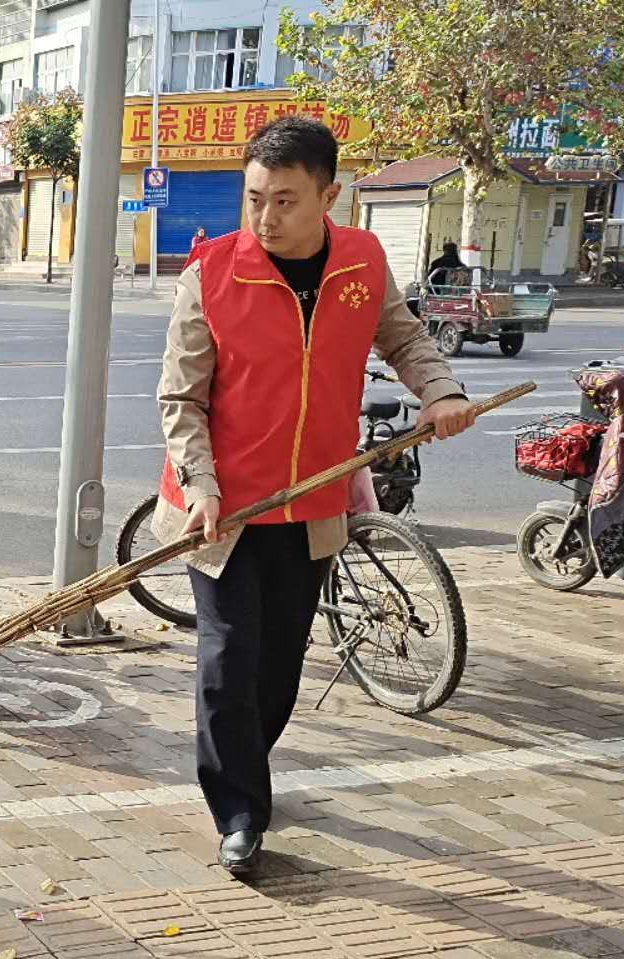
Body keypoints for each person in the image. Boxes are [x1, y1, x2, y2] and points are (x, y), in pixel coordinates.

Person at [151, 117, 475, 877]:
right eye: (254, 199)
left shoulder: (362, 261)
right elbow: (181, 398)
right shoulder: (212, 274)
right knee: (229, 657)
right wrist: (200, 485)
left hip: (313, 502)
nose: (265, 218)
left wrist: (441, 391)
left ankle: (246, 766)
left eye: (285, 201)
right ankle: (239, 811)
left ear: (330, 197)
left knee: (279, 661)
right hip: (223, 510)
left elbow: (403, 339)